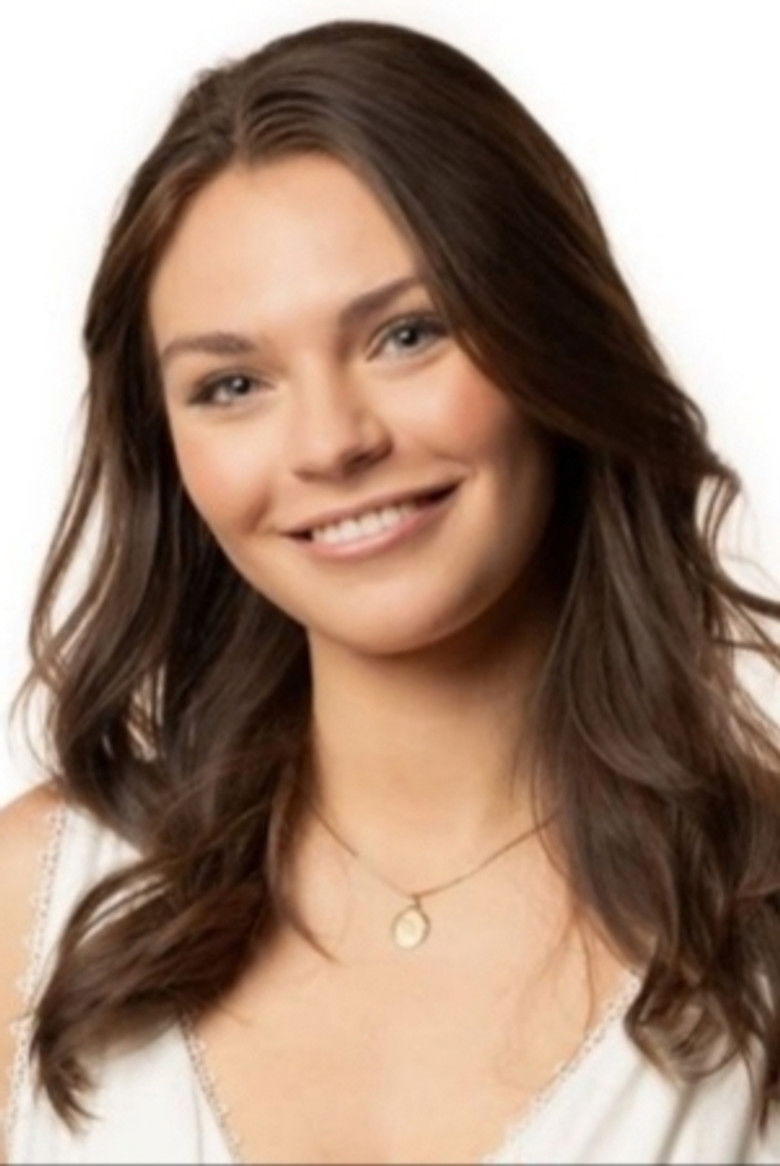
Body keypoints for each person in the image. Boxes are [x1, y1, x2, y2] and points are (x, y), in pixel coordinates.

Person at [1, 17, 780, 1165]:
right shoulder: (33, 904)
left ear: (553, 339)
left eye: (407, 334)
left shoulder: (759, 913)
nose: (332, 441)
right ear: (168, 451)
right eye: (232, 384)